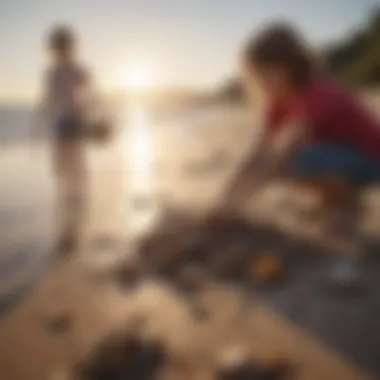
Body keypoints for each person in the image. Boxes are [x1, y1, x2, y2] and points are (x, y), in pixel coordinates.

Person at [210, 22, 380, 286]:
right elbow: (257, 151)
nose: (260, 81)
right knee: (286, 162)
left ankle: (345, 201)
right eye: (256, 74)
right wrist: (223, 200)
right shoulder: (277, 101)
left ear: (288, 66)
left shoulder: (319, 91)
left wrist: (237, 205)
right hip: (338, 157)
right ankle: (337, 197)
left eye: (265, 73)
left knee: (295, 160)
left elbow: (287, 150)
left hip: (371, 159)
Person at [37, 25, 94, 252]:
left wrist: (96, 115)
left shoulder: (79, 70)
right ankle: (68, 216)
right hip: (59, 126)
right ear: (53, 50)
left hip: (76, 123)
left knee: (76, 171)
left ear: (72, 47)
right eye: (58, 48)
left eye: (66, 47)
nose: (62, 52)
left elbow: (91, 96)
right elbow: (47, 99)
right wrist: (38, 122)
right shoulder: (50, 73)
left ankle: (74, 222)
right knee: (61, 171)